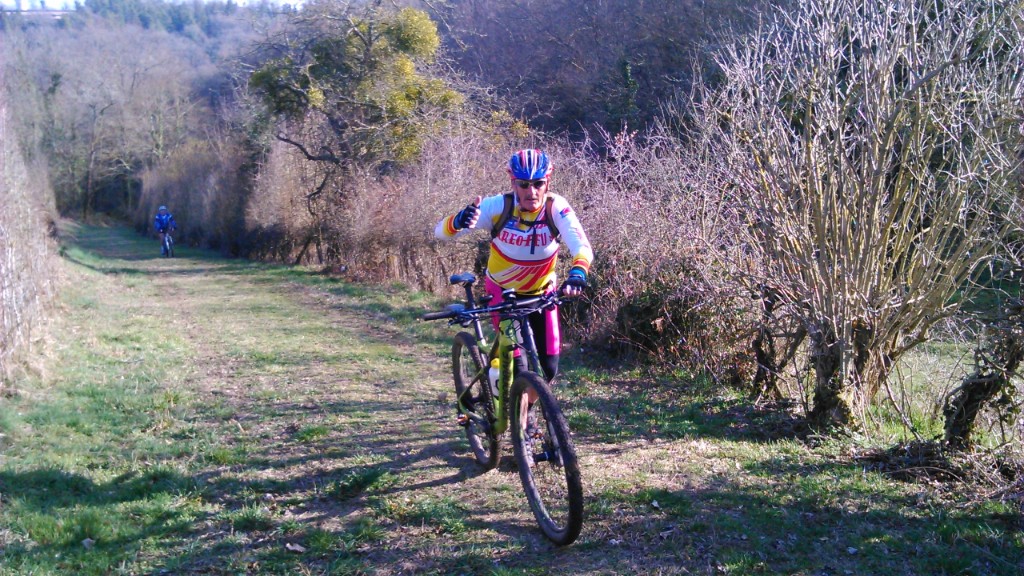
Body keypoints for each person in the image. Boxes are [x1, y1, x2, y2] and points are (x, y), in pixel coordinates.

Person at [434, 149, 593, 385]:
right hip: (502, 291)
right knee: (518, 366)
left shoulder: (556, 208)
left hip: (542, 293)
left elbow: (582, 246)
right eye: (524, 184)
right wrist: (457, 221)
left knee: (548, 369)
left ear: (547, 183)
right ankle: (511, 398)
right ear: (513, 183)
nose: (532, 191)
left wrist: (578, 273)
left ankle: (524, 407)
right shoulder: (498, 206)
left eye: (538, 183)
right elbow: (440, 233)